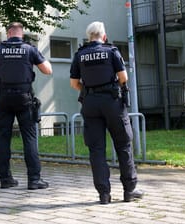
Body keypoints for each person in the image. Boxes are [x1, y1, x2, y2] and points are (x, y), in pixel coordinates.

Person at [69, 21, 144, 204]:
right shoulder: (112, 51)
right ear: (104, 36)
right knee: (123, 145)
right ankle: (129, 190)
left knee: (96, 149)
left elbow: (74, 83)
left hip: (90, 103)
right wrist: (110, 89)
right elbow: (123, 78)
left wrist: (89, 91)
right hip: (112, 102)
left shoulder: (80, 54)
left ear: (89, 36)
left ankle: (103, 194)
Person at [0, 22, 52, 190]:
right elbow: (47, 70)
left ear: (8, 33)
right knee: (29, 138)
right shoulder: (29, 49)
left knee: (3, 139)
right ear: (21, 34)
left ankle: (5, 179)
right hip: (24, 99)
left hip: (4, 98)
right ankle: (34, 180)